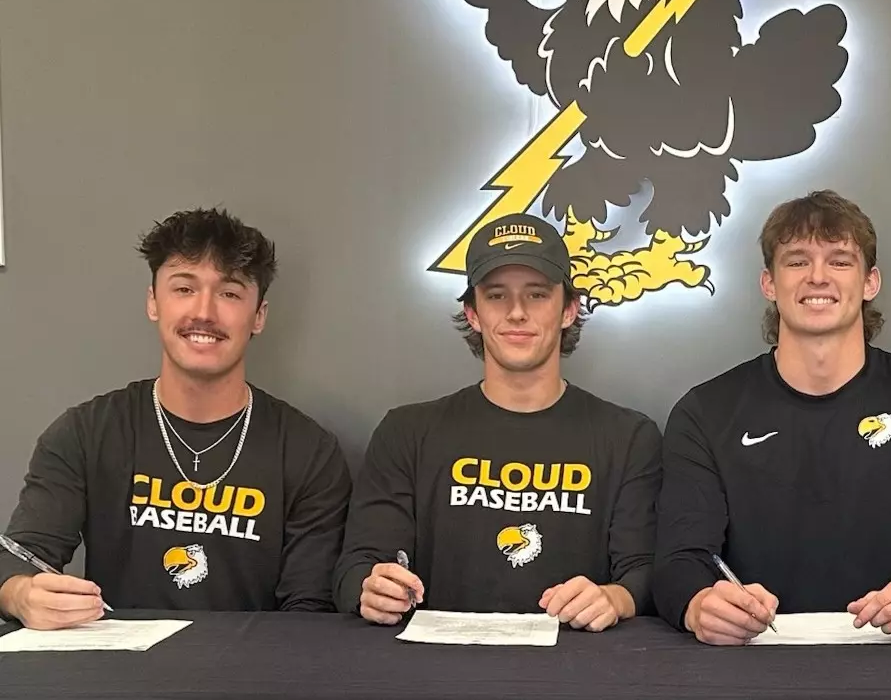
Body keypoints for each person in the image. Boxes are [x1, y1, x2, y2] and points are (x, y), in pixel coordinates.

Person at [652, 190, 891, 645]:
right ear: (769, 282)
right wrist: (698, 603)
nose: (818, 277)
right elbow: (680, 560)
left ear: (871, 282)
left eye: (841, 261)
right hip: (747, 656)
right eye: (797, 260)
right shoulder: (704, 412)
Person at [0, 208, 352, 629]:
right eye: (184, 288)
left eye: (230, 293)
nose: (204, 312)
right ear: (153, 302)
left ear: (258, 316)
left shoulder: (308, 451)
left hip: (252, 679)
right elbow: (18, 559)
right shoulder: (85, 432)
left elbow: (308, 612)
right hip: (114, 676)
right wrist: (21, 594)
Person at [335, 213, 661, 631]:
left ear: (568, 309)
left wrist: (614, 598)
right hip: (435, 675)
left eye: (538, 295)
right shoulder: (407, 433)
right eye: (496, 296)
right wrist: (371, 587)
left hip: (578, 672)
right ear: (473, 313)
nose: (517, 313)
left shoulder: (629, 437)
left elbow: (647, 573)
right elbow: (354, 567)